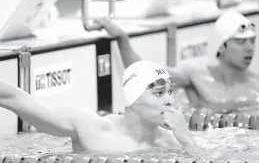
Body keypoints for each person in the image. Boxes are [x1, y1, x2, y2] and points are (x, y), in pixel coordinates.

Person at [0, 44, 198, 154]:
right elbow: (13, 98)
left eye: (170, 92)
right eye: (159, 93)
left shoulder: (173, 144)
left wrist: (189, 142)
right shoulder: (90, 127)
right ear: (132, 100)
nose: (170, 100)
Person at [95, 10, 259, 114]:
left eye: (252, 41)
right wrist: (122, 39)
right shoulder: (197, 74)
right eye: (241, 42)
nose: (250, 48)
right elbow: (145, 74)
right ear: (222, 46)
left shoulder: (256, 85)